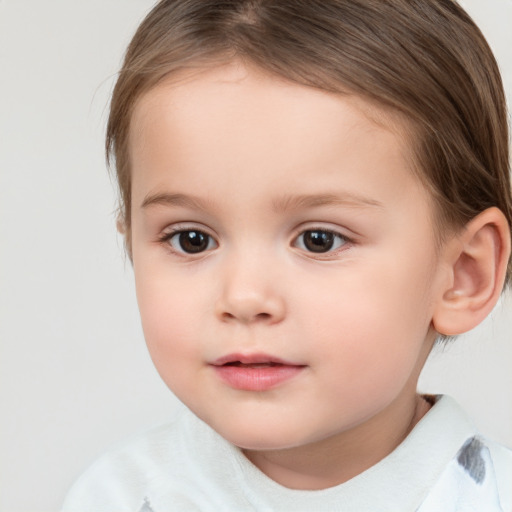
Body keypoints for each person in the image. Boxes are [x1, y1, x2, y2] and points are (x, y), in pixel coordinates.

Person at [62, 1, 512, 510]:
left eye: (319, 239)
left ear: (463, 274)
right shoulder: (114, 497)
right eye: (192, 239)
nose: (245, 297)